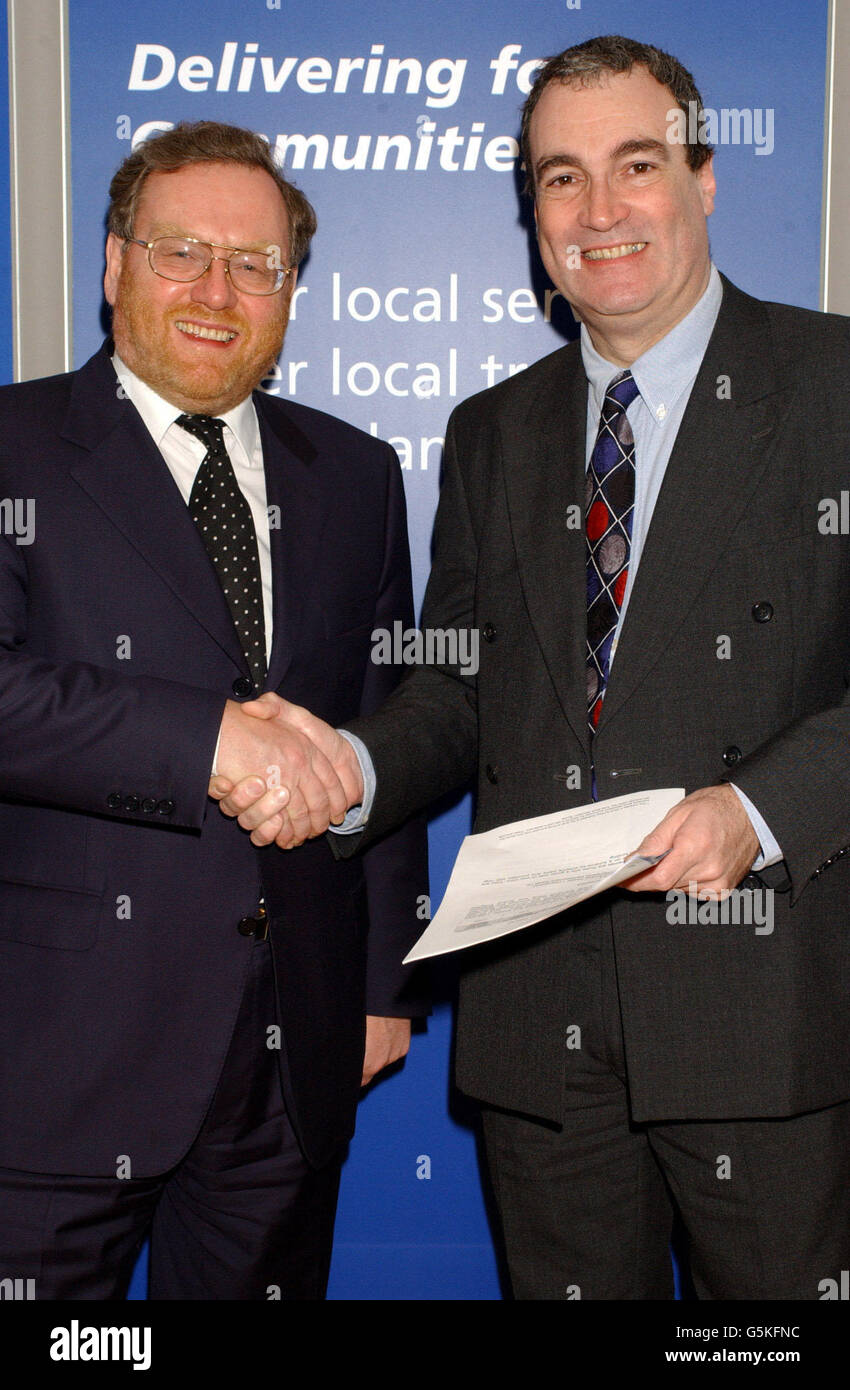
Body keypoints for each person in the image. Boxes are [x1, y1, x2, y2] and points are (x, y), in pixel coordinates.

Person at [214, 35, 850, 1301]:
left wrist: (759, 810)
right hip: (538, 1038)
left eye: (635, 165)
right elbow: (461, 687)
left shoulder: (834, 388)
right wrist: (349, 758)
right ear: (530, 206)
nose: (599, 211)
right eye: (561, 177)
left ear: (705, 177)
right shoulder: (491, 429)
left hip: (763, 1016)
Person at [0, 120, 427, 1300]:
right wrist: (205, 740)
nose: (217, 290)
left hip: (289, 1066)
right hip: (53, 1056)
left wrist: (385, 979)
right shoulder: (12, 447)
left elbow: (379, 718)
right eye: (182, 251)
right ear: (113, 264)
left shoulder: (353, 473)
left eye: (257, 264)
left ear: (290, 292)